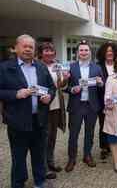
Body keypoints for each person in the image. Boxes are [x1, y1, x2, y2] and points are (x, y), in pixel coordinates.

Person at [0, 34, 56, 188]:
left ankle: (39, 182)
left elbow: (52, 87)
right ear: (16, 48)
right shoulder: (5, 68)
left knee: (39, 155)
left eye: (30, 47)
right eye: (24, 46)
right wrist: (15, 94)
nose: (28, 49)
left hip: (39, 120)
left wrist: (49, 96)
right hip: (18, 121)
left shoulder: (41, 66)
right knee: (18, 157)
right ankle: (18, 183)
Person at [65, 40, 104, 172]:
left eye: (86, 50)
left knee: (90, 132)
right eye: (81, 50)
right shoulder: (71, 67)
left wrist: (100, 83)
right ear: (77, 52)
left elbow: (101, 86)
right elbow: (65, 87)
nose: (84, 52)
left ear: (90, 52)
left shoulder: (97, 68)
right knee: (73, 134)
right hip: (76, 105)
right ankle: (71, 158)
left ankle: (87, 155)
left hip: (91, 105)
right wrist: (71, 89)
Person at [38, 42, 70, 180]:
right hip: (43, 106)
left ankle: (50, 162)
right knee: (43, 138)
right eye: (46, 50)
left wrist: (65, 79)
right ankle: (43, 167)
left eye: (51, 51)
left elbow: (60, 85)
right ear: (41, 52)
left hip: (56, 105)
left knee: (52, 137)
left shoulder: (57, 65)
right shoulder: (37, 65)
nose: (49, 53)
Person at [97, 42, 117, 160]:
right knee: (103, 124)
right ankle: (104, 147)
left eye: (111, 51)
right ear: (103, 53)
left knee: (115, 123)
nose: (109, 53)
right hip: (102, 101)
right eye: (107, 52)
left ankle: (115, 145)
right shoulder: (98, 66)